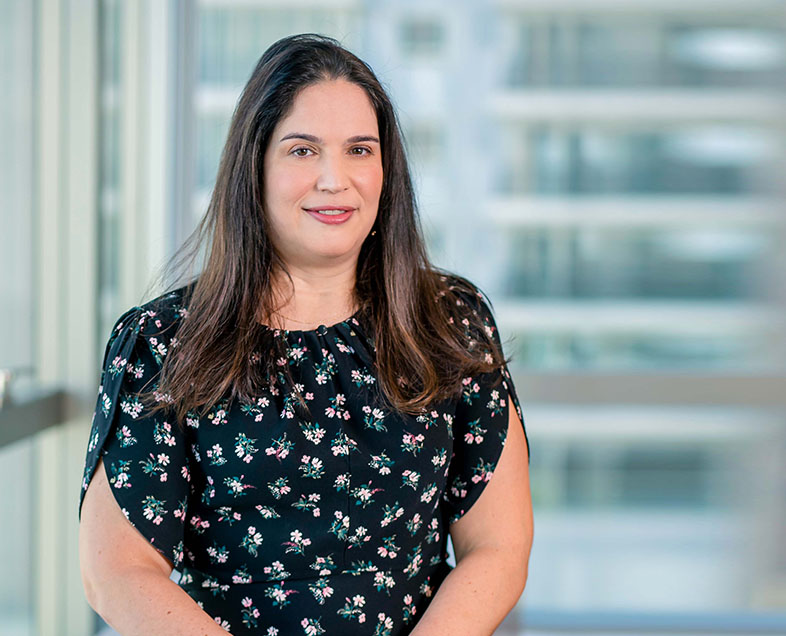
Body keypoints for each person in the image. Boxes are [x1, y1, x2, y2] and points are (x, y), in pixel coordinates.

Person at [78, 33, 533, 636]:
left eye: (359, 150)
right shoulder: (164, 341)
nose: (334, 179)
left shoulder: (450, 319)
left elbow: (497, 547)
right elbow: (117, 570)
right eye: (302, 151)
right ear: (254, 168)